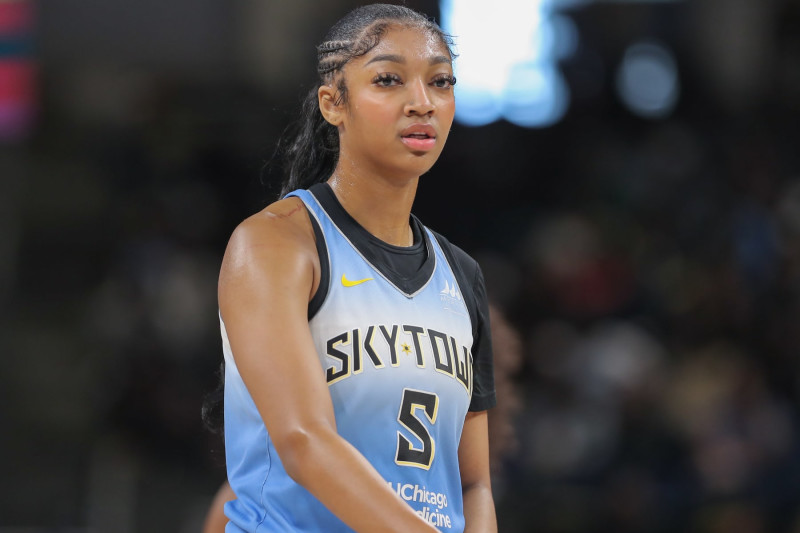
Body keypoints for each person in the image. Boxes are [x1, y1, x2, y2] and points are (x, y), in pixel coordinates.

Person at [216, 4, 497, 532]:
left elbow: (475, 482)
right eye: (389, 80)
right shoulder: (275, 243)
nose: (422, 103)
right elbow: (304, 441)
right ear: (333, 103)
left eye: (440, 82)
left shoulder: (461, 276)